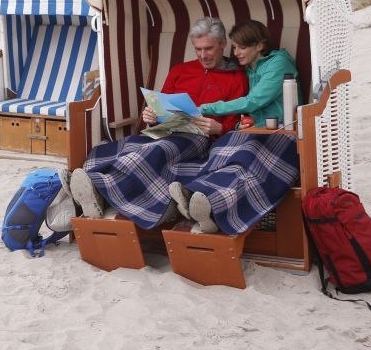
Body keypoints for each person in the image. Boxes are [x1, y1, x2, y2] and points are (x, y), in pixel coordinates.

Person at [68, 17, 248, 229]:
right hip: (166, 129)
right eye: (197, 49)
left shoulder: (236, 77)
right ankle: (90, 187)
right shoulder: (180, 70)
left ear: (223, 44)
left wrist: (220, 128)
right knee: (118, 147)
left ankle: (98, 188)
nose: (202, 55)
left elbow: (237, 123)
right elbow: (161, 107)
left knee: (154, 150)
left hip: (200, 138)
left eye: (208, 48)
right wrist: (151, 115)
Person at [168, 20, 301, 234]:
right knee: (223, 149)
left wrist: (206, 108)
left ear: (259, 45)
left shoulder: (279, 63)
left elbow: (254, 101)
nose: (236, 53)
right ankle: (198, 196)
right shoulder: (250, 68)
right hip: (254, 130)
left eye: (241, 47)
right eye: (235, 47)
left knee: (244, 156)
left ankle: (207, 203)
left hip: (281, 133)